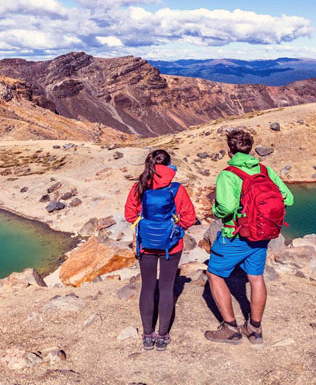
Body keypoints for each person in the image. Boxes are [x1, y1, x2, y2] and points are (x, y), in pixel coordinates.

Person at [204, 129, 293, 344]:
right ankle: (254, 329)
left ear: (229, 151)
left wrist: (216, 210)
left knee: (214, 274)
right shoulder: (265, 170)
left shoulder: (228, 174)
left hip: (236, 235)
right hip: (262, 235)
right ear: (250, 148)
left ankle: (230, 329)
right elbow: (287, 199)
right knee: (256, 278)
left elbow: (226, 207)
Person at [125, 149, 196, 351]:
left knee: (147, 287)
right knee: (166, 288)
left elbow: (129, 215)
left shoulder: (139, 186)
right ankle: (162, 336)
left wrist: (144, 225)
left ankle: (147, 335)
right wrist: (176, 229)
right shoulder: (176, 189)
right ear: (169, 165)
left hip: (145, 244)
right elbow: (189, 216)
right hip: (171, 246)